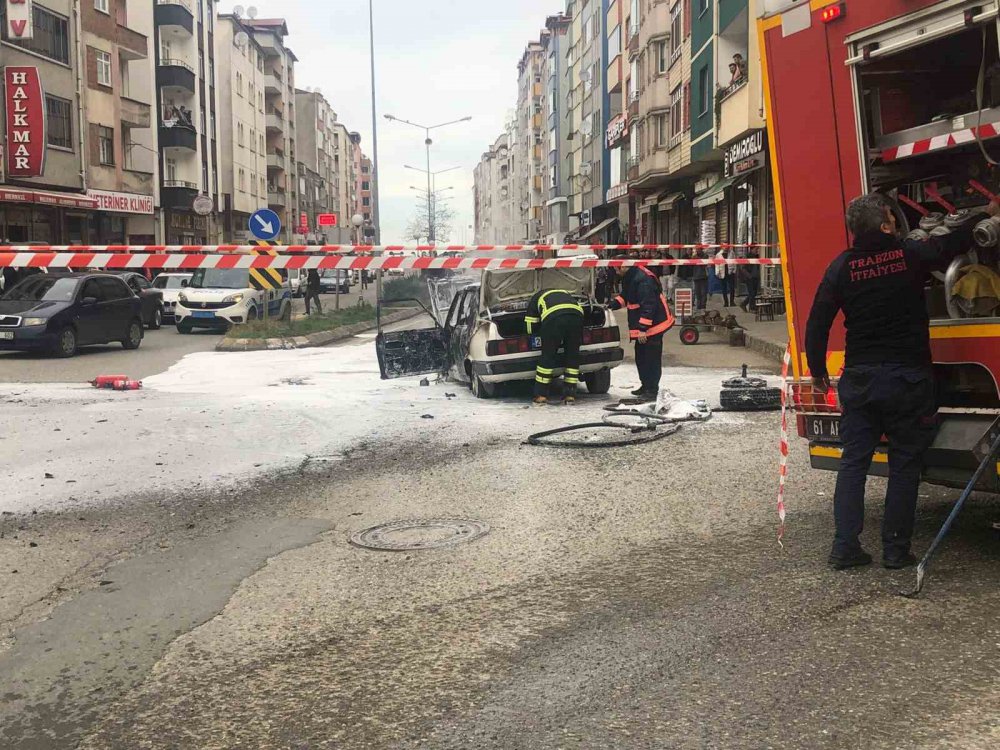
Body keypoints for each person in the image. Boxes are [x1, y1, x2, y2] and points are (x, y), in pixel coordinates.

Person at [805, 193, 992, 571]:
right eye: (891, 216)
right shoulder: (908, 254)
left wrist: (818, 371)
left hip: (860, 380)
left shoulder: (841, 266)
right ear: (886, 225)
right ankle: (895, 551)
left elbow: (818, 322)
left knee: (853, 462)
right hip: (907, 379)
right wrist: (985, 214)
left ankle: (845, 548)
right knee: (904, 465)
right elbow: (950, 244)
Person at [608, 261, 676, 401]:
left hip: (653, 326)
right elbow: (626, 296)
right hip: (647, 326)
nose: (615, 271)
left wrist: (643, 329)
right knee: (641, 357)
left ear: (624, 266)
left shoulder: (643, 280)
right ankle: (645, 386)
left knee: (651, 359)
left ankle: (651, 390)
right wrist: (612, 305)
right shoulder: (631, 276)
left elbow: (648, 306)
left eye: (616, 268)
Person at [525, 289, 585, 405]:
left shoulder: (535, 298)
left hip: (553, 319)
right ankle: (570, 394)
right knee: (572, 354)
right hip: (576, 316)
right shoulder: (565, 293)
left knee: (548, 356)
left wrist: (535, 335)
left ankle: (541, 394)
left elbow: (530, 325)